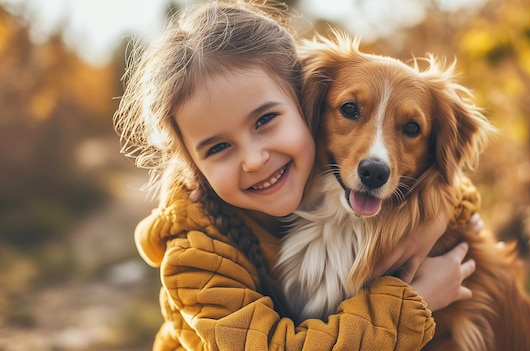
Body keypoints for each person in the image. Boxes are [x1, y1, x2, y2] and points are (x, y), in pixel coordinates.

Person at [113, 1, 478, 349]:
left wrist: (447, 211)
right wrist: (415, 303)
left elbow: (443, 183)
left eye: (265, 120)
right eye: (217, 148)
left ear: (302, 103)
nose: (255, 160)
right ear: (192, 165)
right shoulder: (195, 257)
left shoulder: (304, 185)